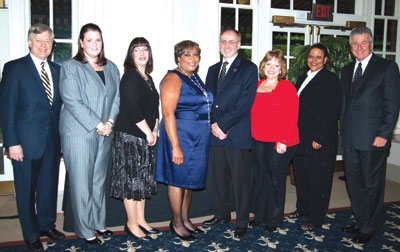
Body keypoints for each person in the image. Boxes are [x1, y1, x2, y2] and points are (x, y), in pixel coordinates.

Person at [0, 23, 65, 252]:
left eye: (48, 41)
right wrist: (11, 142)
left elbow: (57, 110)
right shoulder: (14, 68)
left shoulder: (57, 70)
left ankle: (47, 225)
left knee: (48, 186)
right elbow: (6, 109)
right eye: (39, 41)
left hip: (52, 142)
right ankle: (30, 234)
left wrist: (61, 142)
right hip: (24, 144)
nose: (44, 45)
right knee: (26, 189)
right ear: (30, 42)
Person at [59, 23, 120, 244]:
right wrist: (98, 124)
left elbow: (116, 98)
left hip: (105, 132)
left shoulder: (112, 67)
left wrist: (110, 121)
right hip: (79, 133)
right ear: (81, 43)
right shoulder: (71, 67)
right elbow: (72, 101)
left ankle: (98, 223)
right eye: (90, 40)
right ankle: (84, 229)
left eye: (98, 40)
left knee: (98, 181)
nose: (95, 44)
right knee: (81, 183)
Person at [341, 26, 400, 244]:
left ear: (371, 44)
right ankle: (360, 220)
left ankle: (369, 226)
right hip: (350, 138)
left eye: (363, 42)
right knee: (354, 183)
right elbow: (347, 105)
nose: (359, 47)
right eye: (355, 43)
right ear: (350, 46)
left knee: (372, 184)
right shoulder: (347, 70)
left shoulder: (387, 67)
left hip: (374, 138)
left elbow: (392, 105)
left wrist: (384, 133)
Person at [202, 29, 258, 239]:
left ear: (239, 45)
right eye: (223, 41)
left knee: (240, 182)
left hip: (236, 134)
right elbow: (207, 100)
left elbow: (245, 103)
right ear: (219, 44)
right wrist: (213, 125)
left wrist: (223, 126)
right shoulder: (212, 69)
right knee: (219, 179)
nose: (227, 45)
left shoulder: (248, 68)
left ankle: (242, 221)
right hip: (215, 135)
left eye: (231, 41)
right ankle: (221, 215)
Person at [155, 40, 213, 241]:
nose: (192, 58)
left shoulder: (195, 77)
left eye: (196, 54)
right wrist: (176, 146)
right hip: (180, 136)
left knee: (190, 180)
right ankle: (177, 222)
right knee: (178, 180)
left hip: (197, 138)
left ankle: (186, 218)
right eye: (187, 55)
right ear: (178, 57)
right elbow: (168, 114)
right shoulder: (173, 77)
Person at [110, 37, 159, 241]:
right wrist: (148, 132)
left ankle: (141, 220)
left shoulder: (148, 77)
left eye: (145, 49)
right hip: (129, 137)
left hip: (145, 136)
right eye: (137, 49)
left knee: (142, 182)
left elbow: (154, 108)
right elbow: (131, 108)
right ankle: (131, 223)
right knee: (131, 183)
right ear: (131, 54)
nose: (142, 53)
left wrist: (155, 130)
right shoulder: (130, 76)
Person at [289, 44, 342, 231]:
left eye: (318, 57)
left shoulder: (331, 80)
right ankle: (302, 208)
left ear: (325, 60)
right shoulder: (303, 77)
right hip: (300, 139)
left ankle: (316, 219)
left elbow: (331, 111)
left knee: (318, 181)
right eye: (311, 56)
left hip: (319, 141)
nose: (313, 60)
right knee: (302, 177)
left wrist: (320, 137)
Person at [249, 49, 299, 232]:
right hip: (258, 140)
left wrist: (283, 140)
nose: (271, 68)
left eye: (276, 65)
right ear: (263, 66)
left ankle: (275, 219)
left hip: (280, 142)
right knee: (260, 179)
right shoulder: (256, 85)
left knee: (275, 180)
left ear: (281, 69)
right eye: (268, 64)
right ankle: (260, 215)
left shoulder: (287, 87)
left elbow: (291, 116)